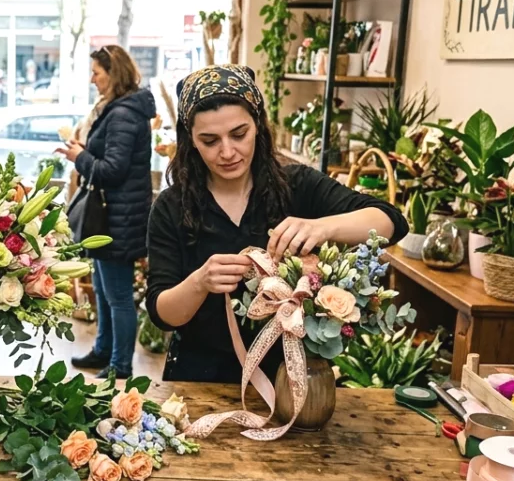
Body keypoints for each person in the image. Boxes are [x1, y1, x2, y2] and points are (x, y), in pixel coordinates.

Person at [146, 64, 407, 383]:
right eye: (210, 140)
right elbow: (163, 314)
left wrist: (322, 227)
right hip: (199, 376)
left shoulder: (298, 186)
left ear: (257, 124)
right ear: (191, 141)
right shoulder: (172, 207)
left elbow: (390, 221)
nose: (228, 152)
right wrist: (199, 283)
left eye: (239, 134)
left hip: (290, 375)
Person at [57, 45, 155, 379]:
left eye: (96, 73)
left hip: (118, 219)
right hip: (112, 215)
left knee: (118, 296)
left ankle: (120, 365)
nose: (92, 79)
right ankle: (103, 351)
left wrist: (79, 158)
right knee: (102, 288)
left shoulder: (123, 114)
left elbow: (113, 169)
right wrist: (84, 151)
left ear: (113, 74)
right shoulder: (120, 110)